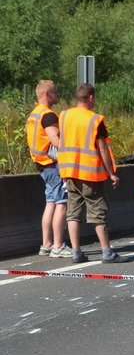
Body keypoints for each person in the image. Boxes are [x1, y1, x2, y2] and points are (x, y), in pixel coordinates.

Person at [58, 83, 122, 263]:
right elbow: (102, 150)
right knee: (98, 212)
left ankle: (76, 252)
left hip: (69, 172)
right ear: (91, 97)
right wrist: (112, 173)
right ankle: (106, 251)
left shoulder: (64, 116)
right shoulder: (95, 120)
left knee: (73, 212)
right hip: (90, 174)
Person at [26, 80, 72, 258]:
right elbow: (56, 141)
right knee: (61, 204)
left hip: (42, 165)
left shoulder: (34, 114)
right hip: (53, 165)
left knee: (51, 203)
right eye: (55, 92)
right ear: (47, 95)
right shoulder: (48, 115)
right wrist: (69, 157)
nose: (58, 95)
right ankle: (58, 246)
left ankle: (46, 244)